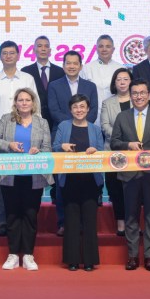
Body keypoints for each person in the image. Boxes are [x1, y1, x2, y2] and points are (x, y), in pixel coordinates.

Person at [0, 87, 52, 271]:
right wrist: (9, 145)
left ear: (33, 103)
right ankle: (13, 254)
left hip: (34, 176)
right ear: (15, 102)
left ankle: (29, 255)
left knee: (30, 215)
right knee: (12, 215)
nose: (24, 103)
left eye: (27, 100)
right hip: (10, 176)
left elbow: (48, 148)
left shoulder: (42, 122)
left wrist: (38, 150)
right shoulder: (6, 119)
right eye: (20, 100)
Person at [110, 79, 150, 271]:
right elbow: (114, 143)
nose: (138, 96)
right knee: (131, 216)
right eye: (135, 93)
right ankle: (133, 256)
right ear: (131, 95)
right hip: (129, 175)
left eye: (142, 93)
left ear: (149, 95)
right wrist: (128, 145)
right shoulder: (122, 117)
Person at [0, 40, 37, 236]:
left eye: (12, 53)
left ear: (18, 55)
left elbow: (36, 109)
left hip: (26, 131)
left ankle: (23, 221)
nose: (8, 56)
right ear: (0, 56)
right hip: (0, 135)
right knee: (1, 181)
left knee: (24, 179)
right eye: (4, 53)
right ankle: (2, 223)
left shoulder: (28, 78)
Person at [46, 50, 99, 235]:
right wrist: (70, 124)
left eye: (75, 63)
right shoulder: (54, 85)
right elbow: (53, 110)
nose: (71, 66)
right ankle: (63, 222)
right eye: (68, 63)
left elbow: (93, 111)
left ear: (81, 66)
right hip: (62, 135)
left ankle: (86, 223)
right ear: (63, 66)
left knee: (86, 179)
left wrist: (80, 122)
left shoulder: (90, 86)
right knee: (63, 181)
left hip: (86, 134)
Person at [52, 94, 105, 271]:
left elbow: (102, 151)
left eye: (82, 106)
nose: (79, 110)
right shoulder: (63, 126)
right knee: (71, 221)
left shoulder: (95, 129)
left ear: (88, 109)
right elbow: (54, 147)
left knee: (90, 221)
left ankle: (89, 261)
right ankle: (72, 260)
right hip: (69, 180)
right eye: (75, 107)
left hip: (90, 181)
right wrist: (62, 147)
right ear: (70, 110)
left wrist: (95, 150)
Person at [100, 68, 133, 237]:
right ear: (114, 83)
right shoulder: (107, 103)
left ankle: (133, 222)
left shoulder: (138, 100)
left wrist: (130, 141)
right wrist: (123, 139)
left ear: (131, 81)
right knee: (115, 188)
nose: (122, 82)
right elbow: (105, 126)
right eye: (118, 79)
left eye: (125, 79)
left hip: (134, 152)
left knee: (133, 188)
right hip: (113, 151)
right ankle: (120, 222)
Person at [21, 35, 65, 131]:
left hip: (56, 121)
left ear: (50, 51)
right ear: (34, 50)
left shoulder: (60, 71)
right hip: (32, 118)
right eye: (40, 46)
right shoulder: (25, 71)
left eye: (46, 46)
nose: (43, 49)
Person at [80, 34, 124, 119]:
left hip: (116, 113)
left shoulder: (121, 68)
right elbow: (81, 93)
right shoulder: (86, 68)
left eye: (108, 46)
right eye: (101, 46)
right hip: (92, 114)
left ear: (113, 49)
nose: (104, 49)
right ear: (96, 49)